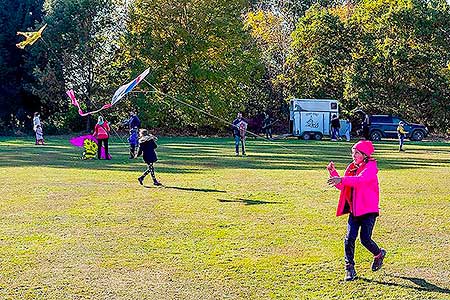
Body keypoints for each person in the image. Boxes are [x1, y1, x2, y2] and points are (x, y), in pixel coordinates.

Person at [327, 140, 386, 281]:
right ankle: (349, 268)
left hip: (368, 210)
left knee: (365, 239)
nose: (353, 156)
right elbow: (344, 187)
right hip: (354, 210)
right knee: (349, 239)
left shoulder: (371, 167)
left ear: (365, 155)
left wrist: (341, 179)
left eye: (356, 153)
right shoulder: (352, 168)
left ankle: (379, 254)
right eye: (352, 153)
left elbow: (360, 181)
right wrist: (333, 173)